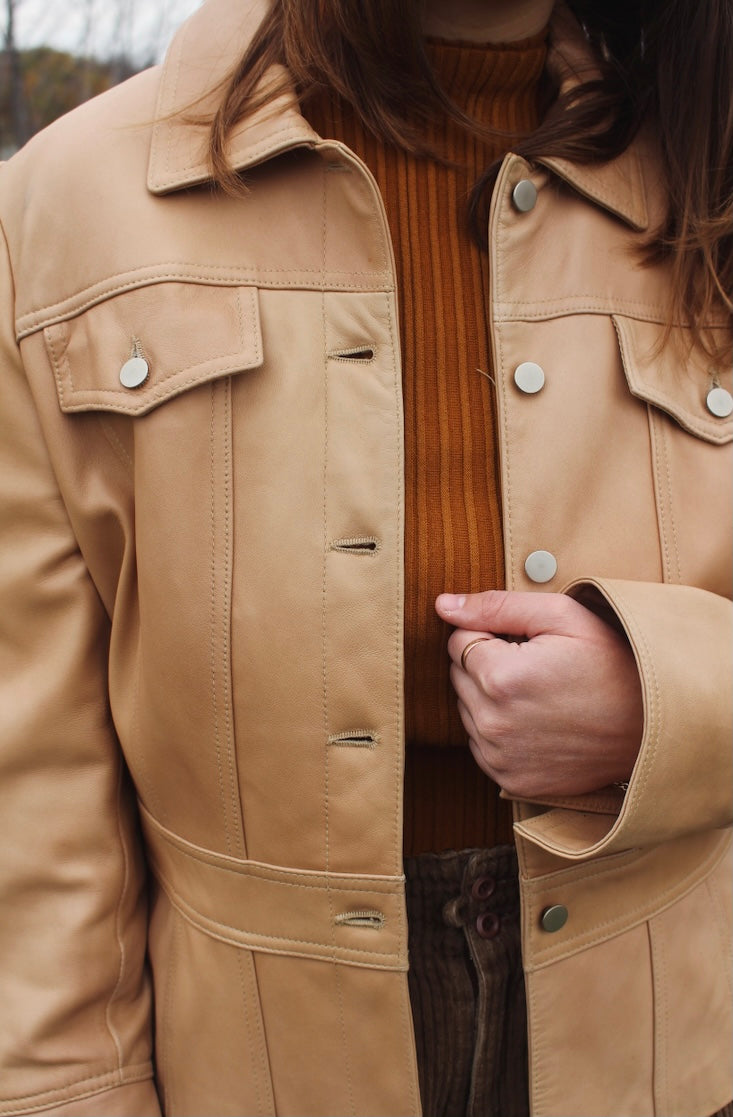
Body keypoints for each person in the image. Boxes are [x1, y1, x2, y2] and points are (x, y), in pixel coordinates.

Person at [0, 0, 730, 1113]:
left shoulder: (707, 166)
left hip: (673, 1048)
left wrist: (671, 701)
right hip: (256, 1068)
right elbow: (35, 780)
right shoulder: (67, 204)